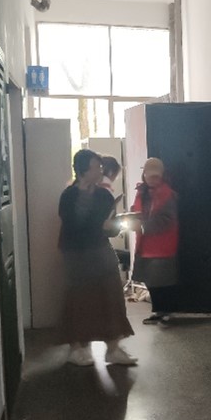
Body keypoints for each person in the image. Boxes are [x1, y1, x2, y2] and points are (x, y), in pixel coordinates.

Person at [58, 149, 137, 366]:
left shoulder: (104, 195)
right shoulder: (69, 196)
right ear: (83, 170)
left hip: (101, 251)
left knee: (112, 297)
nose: (101, 171)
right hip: (76, 254)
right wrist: (99, 225)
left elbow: (111, 228)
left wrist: (112, 226)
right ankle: (77, 348)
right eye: (96, 167)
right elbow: (72, 226)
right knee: (80, 299)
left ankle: (113, 349)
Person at [130, 157, 179, 325]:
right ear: (144, 175)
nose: (152, 179)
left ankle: (166, 311)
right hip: (145, 245)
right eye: (149, 176)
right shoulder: (141, 193)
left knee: (163, 281)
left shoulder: (167, 195)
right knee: (151, 281)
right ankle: (158, 310)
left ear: (162, 176)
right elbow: (137, 211)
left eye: (156, 176)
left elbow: (166, 220)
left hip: (162, 245)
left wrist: (142, 226)